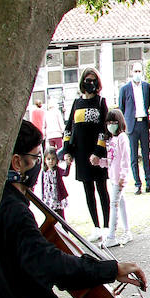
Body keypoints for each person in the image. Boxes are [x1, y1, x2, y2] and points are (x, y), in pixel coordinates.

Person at [0, 120, 147, 298]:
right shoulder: (14, 211)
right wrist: (110, 270)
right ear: (16, 162)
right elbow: (51, 264)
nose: (39, 165)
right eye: (35, 158)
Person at [61, 68, 111, 239]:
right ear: (82, 82)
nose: (91, 84)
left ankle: (107, 227)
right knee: (88, 191)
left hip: (97, 155)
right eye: (87, 80)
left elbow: (105, 129)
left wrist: (98, 152)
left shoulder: (101, 102)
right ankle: (96, 227)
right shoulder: (76, 103)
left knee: (102, 190)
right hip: (81, 155)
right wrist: (67, 150)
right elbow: (68, 128)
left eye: (94, 80)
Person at [117, 61, 150, 194]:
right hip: (132, 125)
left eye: (139, 71)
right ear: (131, 72)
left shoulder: (146, 87)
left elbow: (148, 104)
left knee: (146, 155)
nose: (137, 74)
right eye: (135, 71)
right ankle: (137, 184)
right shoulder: (124, 89)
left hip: (143, 123)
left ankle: (149, 183)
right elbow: (122, 107)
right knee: (134, 156)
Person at [100, 109, 131, 248]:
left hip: (119, 178)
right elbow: (111, 160)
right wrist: (99, 162)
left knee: (114, 204)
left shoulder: (122, 138)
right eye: (109, 122)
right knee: (120, 203)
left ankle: (112, 235)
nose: (111, 125)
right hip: (113, 177)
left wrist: (123, 177)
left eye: (114, 122)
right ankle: (127, 231)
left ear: (120, 123)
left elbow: (125, 159)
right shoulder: (111, 139)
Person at [37, 147, 68, 216]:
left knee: (61, 215)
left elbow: (65, 173)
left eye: (53, 159)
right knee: (50, 215)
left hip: (57, 198)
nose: (51, 161)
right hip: (48, 198)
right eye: (48, 159)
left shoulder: (57, 170)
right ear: (45, 160)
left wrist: (68, 165)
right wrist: (43, 197)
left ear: (56, 159)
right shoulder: (44, 172)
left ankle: (64, 226)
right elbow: (43, 185)